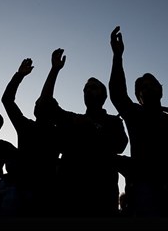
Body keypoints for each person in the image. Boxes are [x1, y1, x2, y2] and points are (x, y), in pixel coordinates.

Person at [34, 48, 128, 217]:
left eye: (93, 87)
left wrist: (95, 128)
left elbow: (120, 145)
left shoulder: (113, 122)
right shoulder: (72, 119)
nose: (87, 90)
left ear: (103, 95)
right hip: (69, 196)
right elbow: (44, 106)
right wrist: (54, 70)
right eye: (85, 88)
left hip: (102, 197)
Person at [109, 26, 168, 217]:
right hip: (145, 191)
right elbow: (118, 93)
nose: (147, 87)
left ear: (160, 90)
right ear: (138, 96)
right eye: (142, 87)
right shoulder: (135, 114)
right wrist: (117, 56)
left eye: (151, 84)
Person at [1, 58, 60, 216]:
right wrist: (19, 75)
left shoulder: (58, 133)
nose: (40, 105)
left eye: (44, 103)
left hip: (47, 194)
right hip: (24, 193)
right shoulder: (26, 126)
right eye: (38, 103)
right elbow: (7, 100)